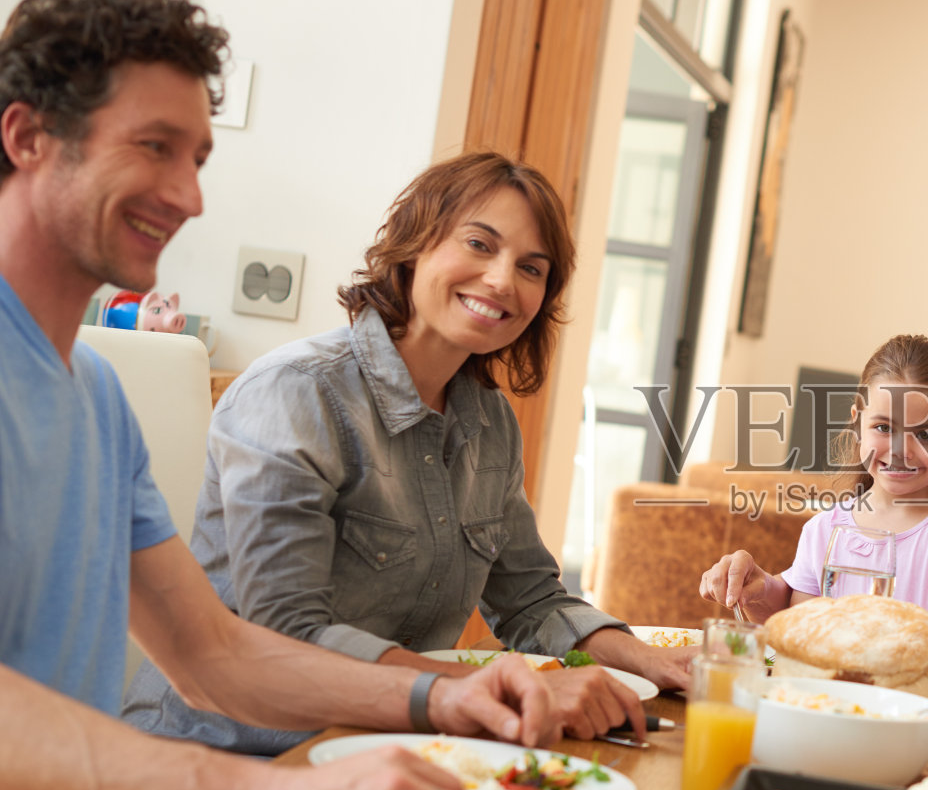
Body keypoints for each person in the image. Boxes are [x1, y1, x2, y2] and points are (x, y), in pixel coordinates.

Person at [0, 0, 560, 790]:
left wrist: (442, 698)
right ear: (26, 138)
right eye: (155, 148)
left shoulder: (95, 398)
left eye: (199, 158)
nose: (190, 195)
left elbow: (213, 655)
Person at [122, 151, 683, 755]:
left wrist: (655, 664)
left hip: (381, 747)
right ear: (415, 244)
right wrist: (486, 689)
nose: (501, 280)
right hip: (223, 753)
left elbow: (531, 599)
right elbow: (288, 632)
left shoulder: (489, 422)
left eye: (531, 268)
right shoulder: (296, 391)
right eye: (478, 243)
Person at [699, 334, 928, 622]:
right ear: (858, 424)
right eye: (884, 428)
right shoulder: (822, 528)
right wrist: (755, 590)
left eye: (925, 434)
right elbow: (802, 634)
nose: (901, 451)